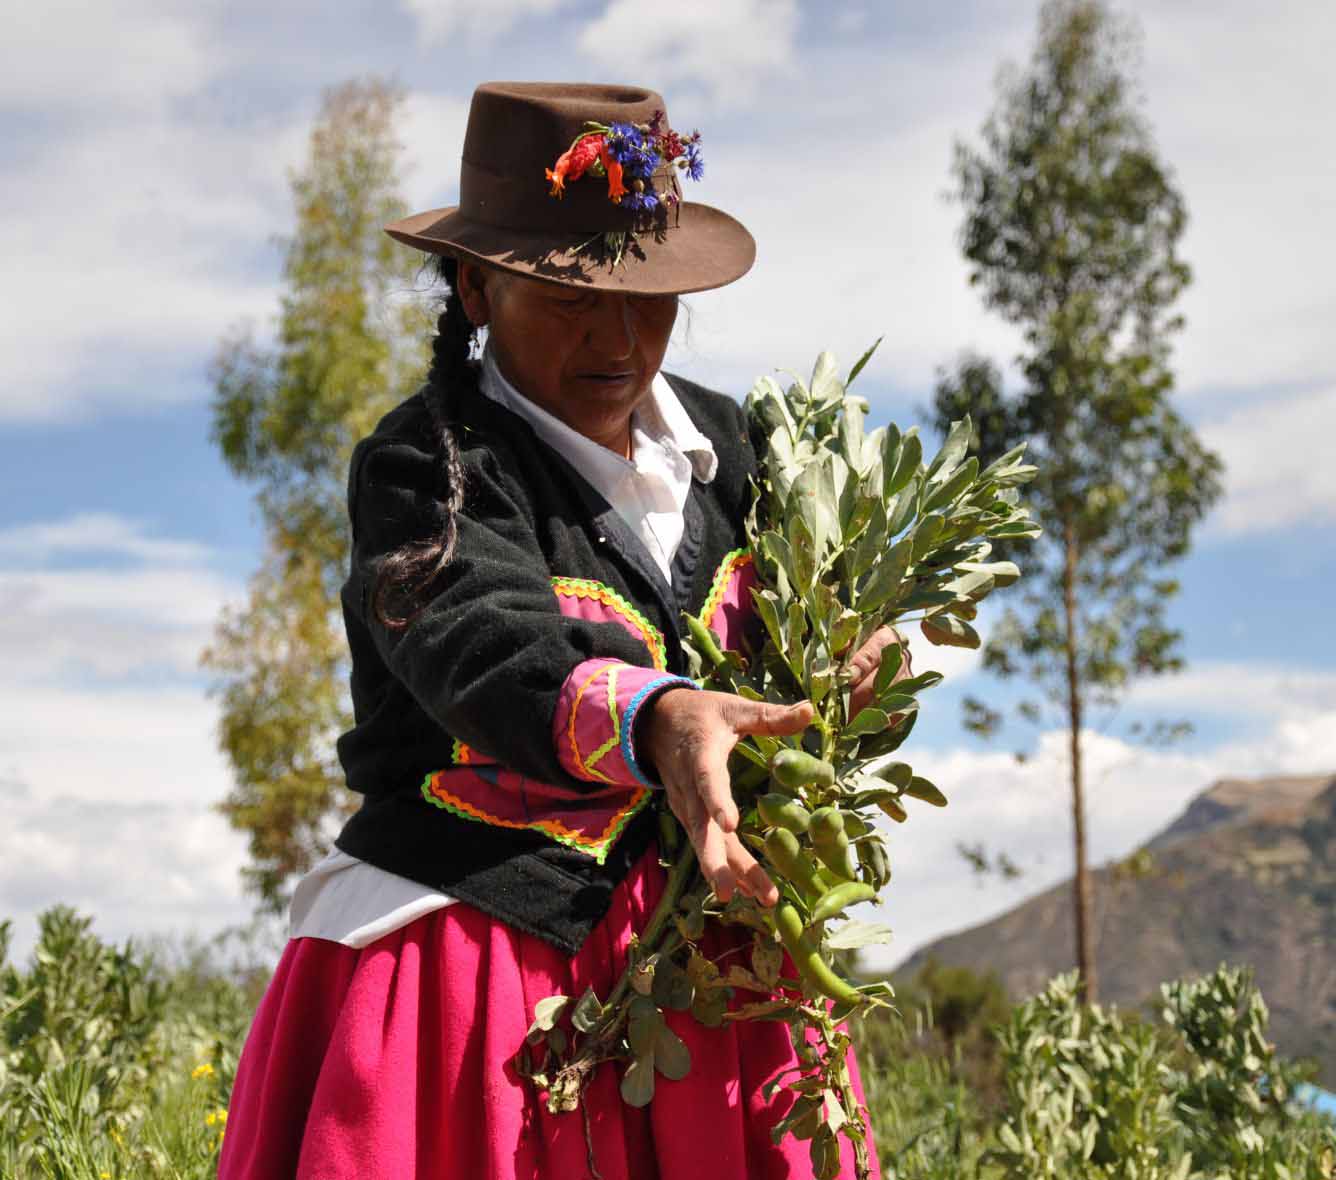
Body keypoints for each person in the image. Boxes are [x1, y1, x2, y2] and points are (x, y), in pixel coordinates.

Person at [219, 81, 897, 1180]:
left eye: (647, 297)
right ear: (478, 288)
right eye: (572, 296)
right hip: (479, 976)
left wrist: (842, 669)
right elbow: (479, 643)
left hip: (718, 977)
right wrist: (660, 716)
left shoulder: (746, 454)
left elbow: (796, 647)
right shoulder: (426, 466)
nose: (621, 338)